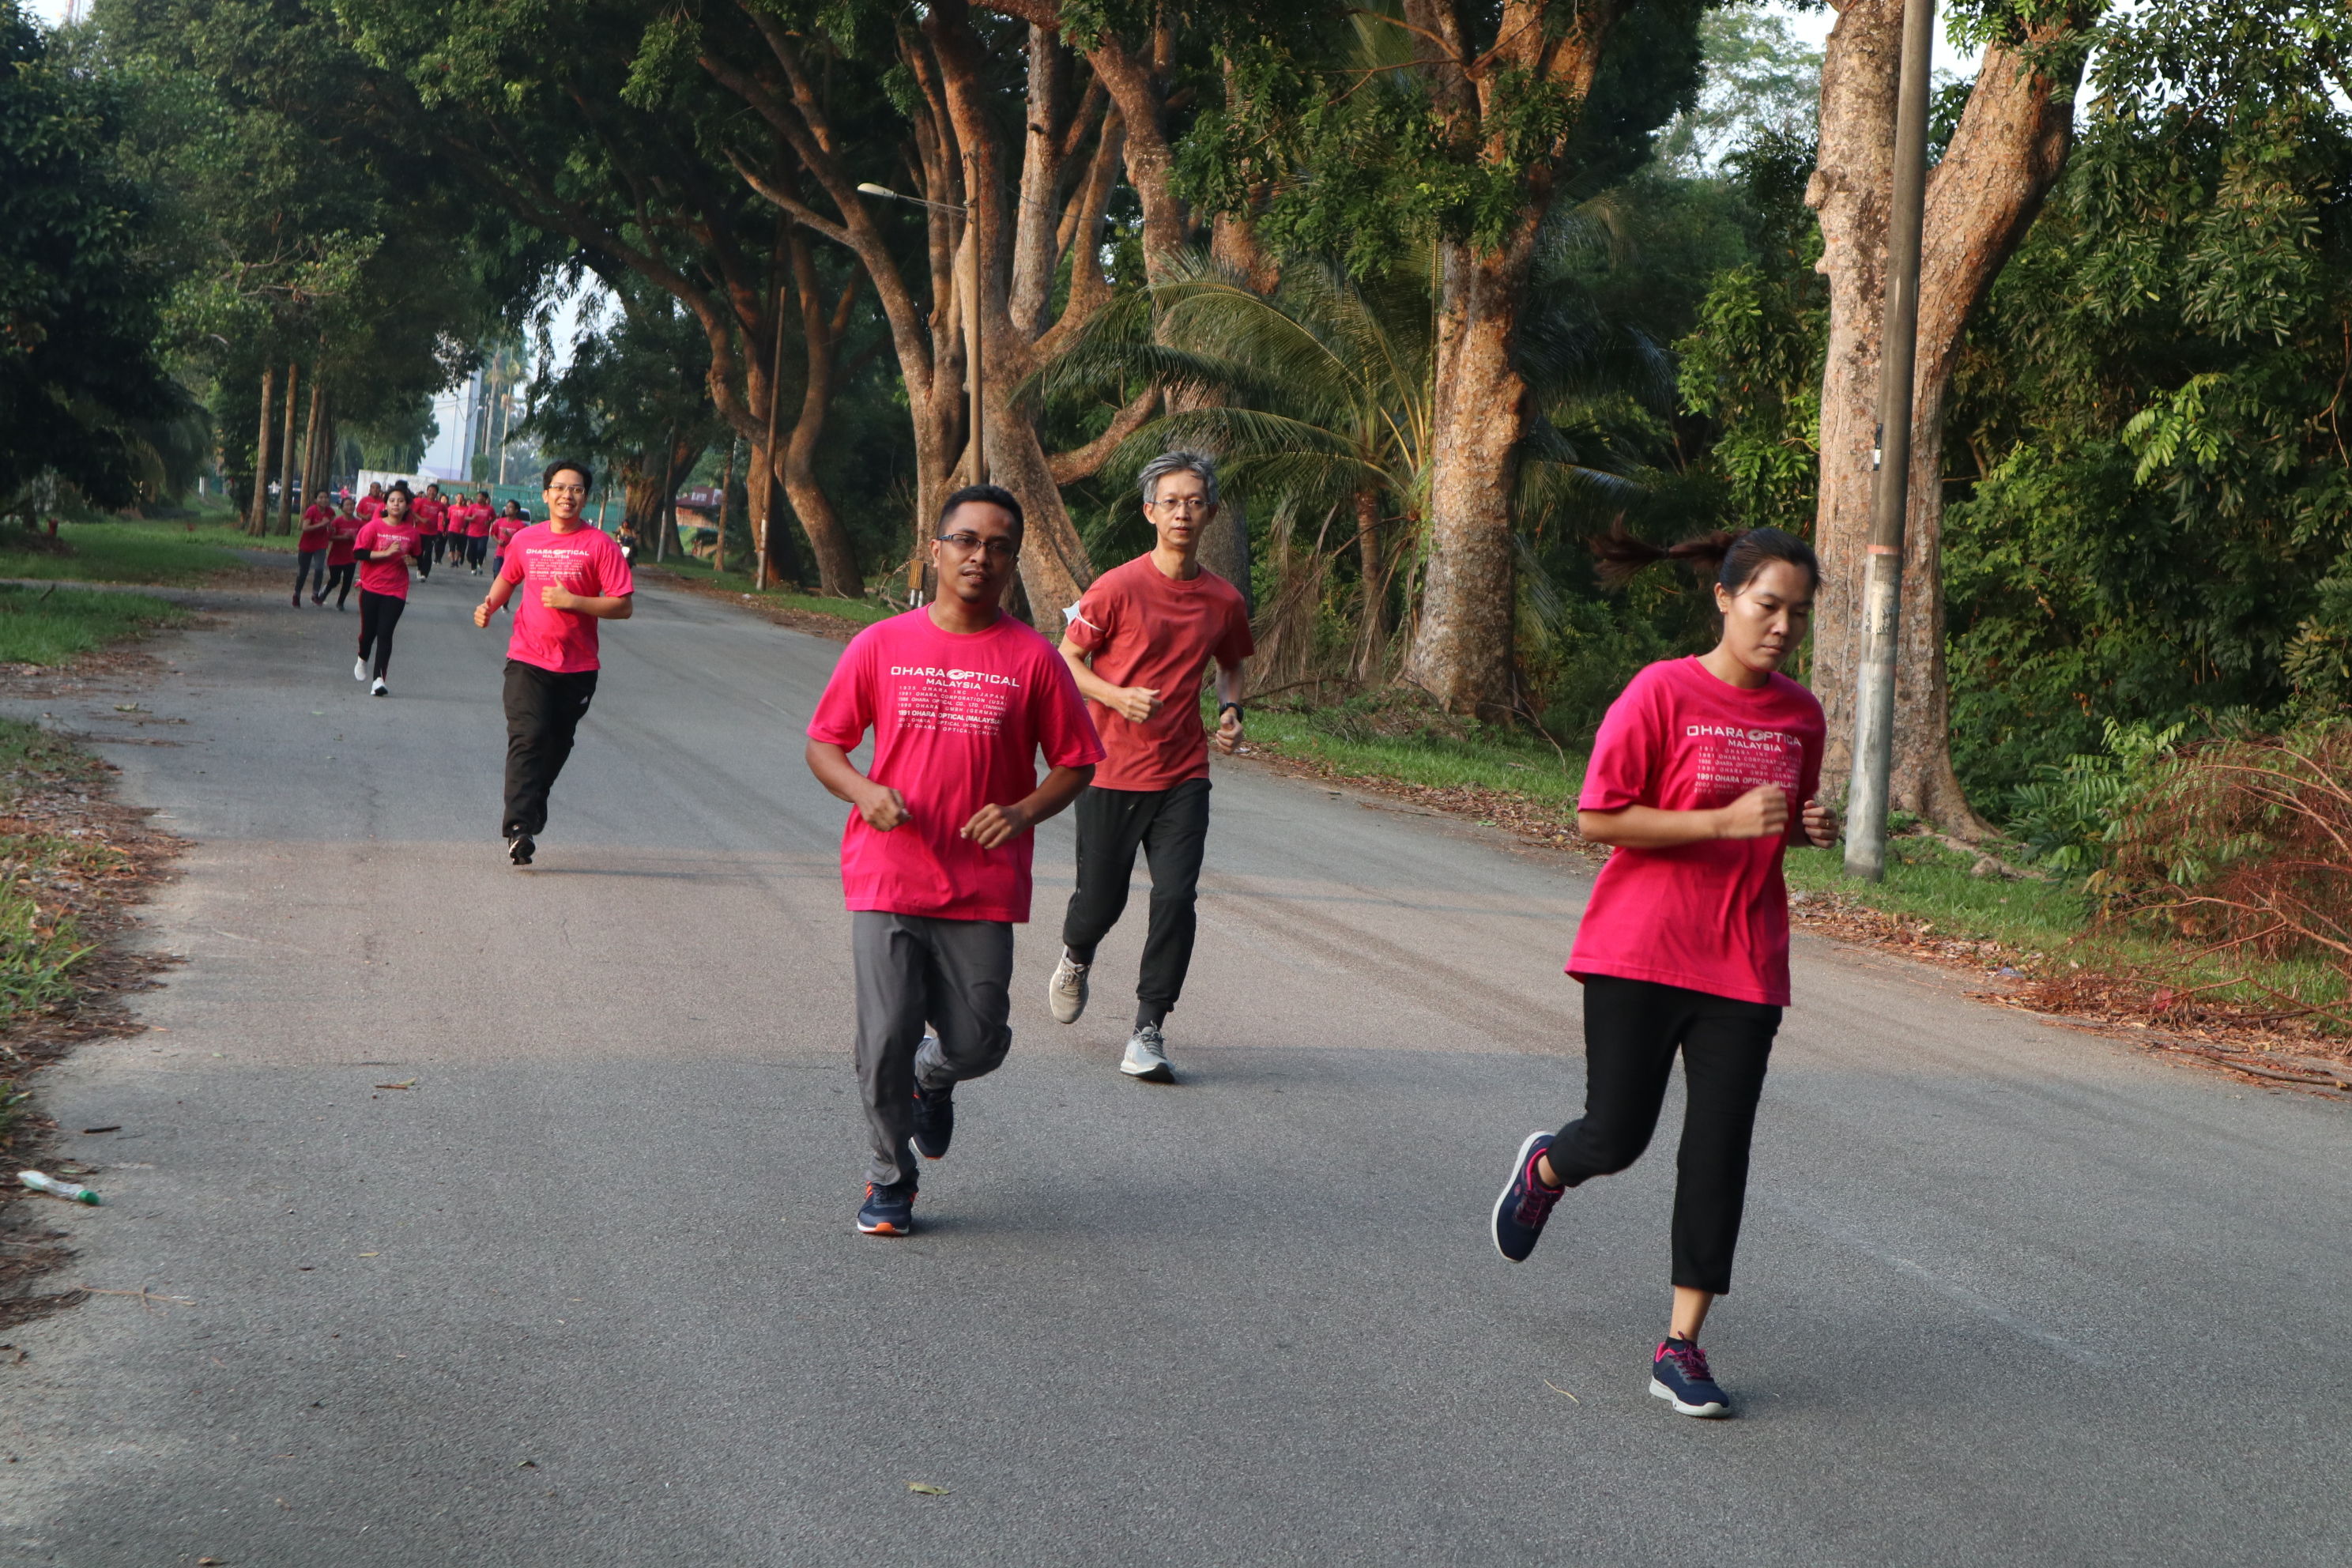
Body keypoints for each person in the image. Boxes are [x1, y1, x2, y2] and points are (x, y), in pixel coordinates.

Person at [1488, 526, 1837, 1421]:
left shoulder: (1801, 714)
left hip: (1744, 961)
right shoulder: (1661, 691)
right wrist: (1721, 822)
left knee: (1718, 1152)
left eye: (1798, 614)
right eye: (1768, 606)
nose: (1783, 627)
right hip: (1639, 950)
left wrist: (1807, 829)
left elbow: (1779, 817)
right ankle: (1548, 1170)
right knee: (1616, 1136)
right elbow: (1598, 817)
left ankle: (1680, 1346)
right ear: (1724, 598)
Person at [805, 484, 1102, 1238]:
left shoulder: (1034, 659)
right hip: (888, 872)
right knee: (883, 1039)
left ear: (1012, 562)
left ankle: (932, 1078)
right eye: (967, 541)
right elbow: (825, 745)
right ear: (935, 550)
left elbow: (1076, 761)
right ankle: (889, 1180)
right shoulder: (880, 644)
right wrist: (863, 791)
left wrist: (1023, 811)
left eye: (999, 547)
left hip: (980, 884)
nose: (981, 557)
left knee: (979, 1041)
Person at [1049, 451, 1253, 1083]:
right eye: (1171, 502)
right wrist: (1116, 697)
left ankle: (1148, 1028)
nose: (1182, 512)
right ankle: (1077, 954)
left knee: (1175, 897)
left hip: (1182, 772)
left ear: (1210, 512)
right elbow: (1066, 662)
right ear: (1149, 513)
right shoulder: (1114, 587)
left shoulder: (1223, 600)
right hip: (1109, 770)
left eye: (1194, 502)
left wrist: (1230, 710)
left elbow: (1231, 664)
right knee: (1099, 905)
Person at [472, 461, 634, 867]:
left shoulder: (600, 545)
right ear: (545, 495)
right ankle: (518, 828)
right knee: (528, 736)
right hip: (527, 658)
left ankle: (533, 802)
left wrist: (574, 601)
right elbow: (509, 577)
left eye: (576, 489)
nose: (567, 495)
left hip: (578, 667)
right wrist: (489, 604)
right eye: (559, 488)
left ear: (585, 497)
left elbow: (623, 605)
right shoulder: (526, 539)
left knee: (557, 744)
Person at [351, 484, 423, 695]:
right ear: (386, 505)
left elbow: (419, 557)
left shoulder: (412, 533)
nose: (396, 504)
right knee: (369, 632)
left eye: (401, 501)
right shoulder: (373, 527)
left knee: (385, 633)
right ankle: (362, 657)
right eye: (392, 501)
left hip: (396, 589)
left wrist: (413, 561)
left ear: (407, 506)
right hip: (371, 586)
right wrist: (385, 553)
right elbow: (359, 553)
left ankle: (378, 680)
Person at [295, 496, 334, 607]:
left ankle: (315, 594)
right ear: (316, 500)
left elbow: (330, 525)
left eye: (326, 497)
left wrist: (331, 529)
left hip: (321, 545)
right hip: (306, 545)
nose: (324, 500)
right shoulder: (311, 510)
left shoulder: (330, 511)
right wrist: (321, 524)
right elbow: (305, 528)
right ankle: (297, 595)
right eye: (321, 498)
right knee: (303, 571)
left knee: (319, 569)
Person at [322, 499, 360, 610]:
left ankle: (340, 603)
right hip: (336, 555)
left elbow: (363, 538)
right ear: (342, 508)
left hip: (351, 556)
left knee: (347, 581)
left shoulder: (359, 523)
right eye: (347, 505)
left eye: (352, 505)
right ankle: (324, 593)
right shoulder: (337, 522)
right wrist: (342, 537)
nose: (350, 507)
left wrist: (356, 539)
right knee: (335, 579)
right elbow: (329, 537)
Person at [489, 502, 526, 575]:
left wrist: (509, 535)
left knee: (508, 575)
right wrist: (497, 541)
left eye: (510, 507)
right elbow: (493, 533)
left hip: (512, 555)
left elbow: (522, 540)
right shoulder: (499, 522)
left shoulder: (520, 525)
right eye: (506, 507)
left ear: (516, 510)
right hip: (500, 553)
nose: (507, 509)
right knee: (496, 572)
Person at [466, 497, 500, 574]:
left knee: (481, 549)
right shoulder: (472, 507)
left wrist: (489, 521)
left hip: (484, 533)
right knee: (473, 551)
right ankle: (473, 568)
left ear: (484, 498)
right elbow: (466, 517)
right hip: (472, 533)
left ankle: (480, 563)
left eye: (480, 497)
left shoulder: (490, 508)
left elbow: (494, 517)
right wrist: (471, 518)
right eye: (478, 497)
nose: (478, 498)